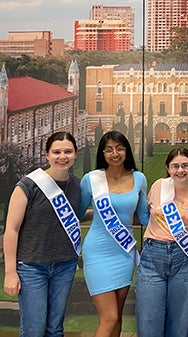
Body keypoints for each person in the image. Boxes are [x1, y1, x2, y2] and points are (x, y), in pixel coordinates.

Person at [3, 132, 81, 337]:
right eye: (56, 152)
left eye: (68, 151)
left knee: (55, 329)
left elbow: (73, 216)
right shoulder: (28, 185)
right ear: (47, 155)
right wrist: (10, 272)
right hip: (31, 267)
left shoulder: (77, 186)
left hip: (64, 265)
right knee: (33, 330)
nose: (62, 156)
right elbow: (11, 229)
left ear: (75, 154)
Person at [136, 147, 188, 337]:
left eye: (185, 165)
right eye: (175, 166)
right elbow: (147, 213)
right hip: (152, 258)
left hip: (184, 259)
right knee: (148, 324)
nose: (180, 170)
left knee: (180, 325)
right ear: (168, 168)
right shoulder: (158, 186)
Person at [77, 131, 149, 337]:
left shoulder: (139, 178)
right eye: (108, 149)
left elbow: (144, 218)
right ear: (102, 153)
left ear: (127, 150)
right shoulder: (91, 180)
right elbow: (79, 213)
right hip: (98, 252)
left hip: (124, 252)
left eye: (119, 148)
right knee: (109, 317)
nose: (114, 153)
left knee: (117, 315)